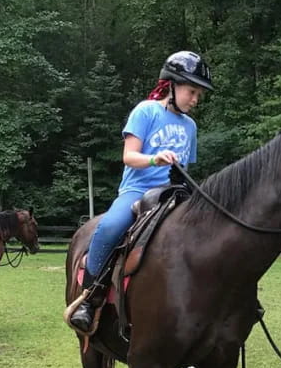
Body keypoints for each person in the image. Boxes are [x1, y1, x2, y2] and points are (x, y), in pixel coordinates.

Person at [68, 50, 214, 333]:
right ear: (171, 85)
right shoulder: (146, 111)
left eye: (199, 95)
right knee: (110, 226)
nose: (195, 100)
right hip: (140, 190)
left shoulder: (191, 126)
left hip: (177, 193)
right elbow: (129, 156)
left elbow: (186, 167)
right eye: (191, 91)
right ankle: (90, 298)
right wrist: (154, 159)